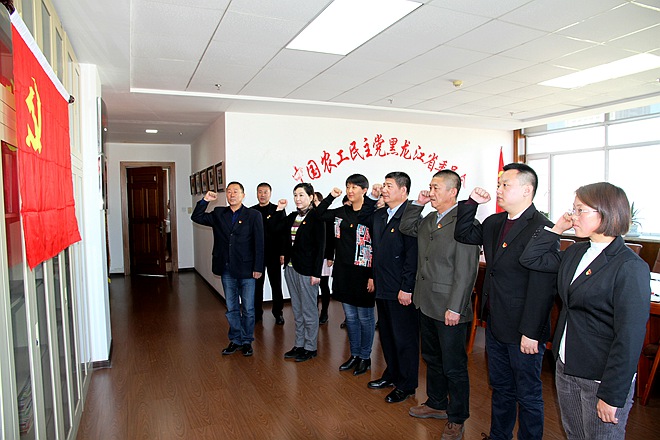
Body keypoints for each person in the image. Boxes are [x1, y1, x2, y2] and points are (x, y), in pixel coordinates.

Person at [520, 182, 650, 439]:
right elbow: (531, 258)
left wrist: (612, 394)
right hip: (567, 365)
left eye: (580, 210)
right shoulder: (576, 251)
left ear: (606, 213)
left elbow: (630, 337)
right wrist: (557, 229)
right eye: (574, 209)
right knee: (574, 434)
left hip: (600, 376)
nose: (573, 216)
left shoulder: (629, 266)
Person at [454, 163, 558, 440]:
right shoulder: (494, 222)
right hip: (496, 320)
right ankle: (499, 435)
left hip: (524, 327)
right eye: (499, 184)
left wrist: (532, 332)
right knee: (501, 386)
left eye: (505, 185)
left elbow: (543, 288)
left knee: (528, 393)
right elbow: (463, 233)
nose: (499, 189)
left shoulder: (543, 228)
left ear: (527, 190)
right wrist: (472, 203)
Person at [400, 170, 480, 440]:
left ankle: (457, 417)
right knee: (432, 358)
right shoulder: (430, 219)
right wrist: (418, 204)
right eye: (430, 187)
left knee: (454, 365)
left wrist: (456, 307)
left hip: (449, 306)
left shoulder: (465, 222)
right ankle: (436, 403)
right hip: (426, 301)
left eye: (436, 188)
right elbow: (406, 227)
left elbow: (466, 271)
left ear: (452, 192)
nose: (431, 192)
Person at [362, 172, 419, 405]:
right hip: (383, 284)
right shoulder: (380, 215)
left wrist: (407, 287)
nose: (384, 189)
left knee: (404, 338)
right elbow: (362, 219)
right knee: (387, 335)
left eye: (389, 186)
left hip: (401, 289)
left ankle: (407, 384)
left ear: (403, 190)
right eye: (383, 185)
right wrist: (371, 197)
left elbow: (412, 257)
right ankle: (392, 374)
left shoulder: (410, 216)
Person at [191, 182, 264, 357]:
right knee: (231, 308)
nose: (232, 195)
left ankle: (247, 341)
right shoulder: (219, 213)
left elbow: (259, 243)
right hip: (226, 268)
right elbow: (197, 217)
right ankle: (235, 340)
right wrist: (205, 200)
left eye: (236, 191)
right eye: (229, 192)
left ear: (243, 195)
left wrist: (258, 267)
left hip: (247, 269)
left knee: (248, 308)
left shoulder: (253, 215)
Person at [316, 174, 375, 376]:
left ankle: (365, 357)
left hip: (364, 272)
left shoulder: (371, 214)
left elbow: (377, 246)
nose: (350, 190)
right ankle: (355, 354)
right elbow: (318, 214)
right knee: (350, 317)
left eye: (355, 187)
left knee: (365, 318)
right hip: (343, 271)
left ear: (364, 190)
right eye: (348, 186)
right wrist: (331, 196)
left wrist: (373, 275)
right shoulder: (341, 212)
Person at [275, 183, 326, 362]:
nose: (297, 199)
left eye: (302, 195)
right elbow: (274, 228)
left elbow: (320, 247)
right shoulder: (292, 216)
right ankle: (299, 344)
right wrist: (279, 209)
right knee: (297, 309)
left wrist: (317, 273)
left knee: (309, 310)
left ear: (311, 197)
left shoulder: (317, 217)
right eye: (295, 195)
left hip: (307, 270)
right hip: (291, 268)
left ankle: (310, 347)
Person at [251, 182, 285, 325]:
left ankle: (278, 313)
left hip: (274, 254)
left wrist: (283, 252)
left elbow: (283, 233)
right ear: (256, 193)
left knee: (276, 285)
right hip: (257, 255)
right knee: (257, 286)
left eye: (265, 192)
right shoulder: (252, 211)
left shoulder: (278, 209)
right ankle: (257, 313)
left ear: (270, 194)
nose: (262, 195)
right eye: (260, 192)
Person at [314, 191, 334, 325]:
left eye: (316, 201)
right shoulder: (310, 215)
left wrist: (330, 256)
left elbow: (331, 238)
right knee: (312, 287)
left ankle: (325, 312)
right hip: (312, 258)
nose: (314, 203)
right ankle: (313, 311)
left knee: (323, 285)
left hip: (324, 257)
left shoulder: (327, 216)